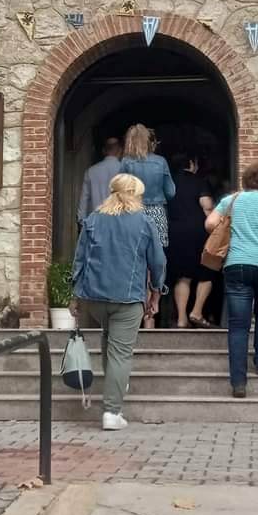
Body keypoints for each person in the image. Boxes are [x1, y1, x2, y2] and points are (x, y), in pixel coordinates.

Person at [70, 175, 166, 431]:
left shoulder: (93, 219)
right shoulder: (144, 221)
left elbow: (80, 259)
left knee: (109, 339)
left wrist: (75, 295)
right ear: (135, 194)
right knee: (121, 352)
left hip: (94, 297)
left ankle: (116, 382)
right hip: (127, 296)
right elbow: (158, 262)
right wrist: (156, 292)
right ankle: (112, 411)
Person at [205, 163, 258, 397]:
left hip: (237, 264)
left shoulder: (231, 200)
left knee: (238, 325)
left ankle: (239, 383)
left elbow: (209, 224)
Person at [119, 124, 175, 327]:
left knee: (137, 261)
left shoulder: (126, 162)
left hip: (133, 212)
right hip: (157, 213)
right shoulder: (160, 162)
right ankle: (153, 308)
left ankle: (139, 313)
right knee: (157, 260)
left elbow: (118, 191)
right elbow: (171, 192)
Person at [165, 154, 217, 328]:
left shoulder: (169, 184)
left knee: (183, 277)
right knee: (206, 273)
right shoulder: (199, 182)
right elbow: (207, 206)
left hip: (175, 232)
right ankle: (196, 311)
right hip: (198, 232)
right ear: (191, 164)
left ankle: (181, 319)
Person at [77, 136, 122, 223]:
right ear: (120, 150)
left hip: (95, 224)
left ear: (104, 151)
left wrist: (81, 221)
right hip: (118, 224)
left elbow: (83, 202)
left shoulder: (91, 171)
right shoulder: (126, 171)